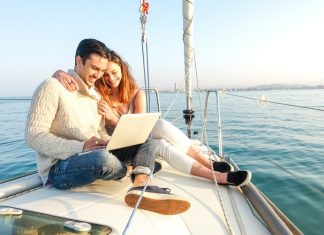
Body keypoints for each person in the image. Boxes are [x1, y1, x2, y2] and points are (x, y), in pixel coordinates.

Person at [25, 38, 190, 215]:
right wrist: (80, 146)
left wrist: (112, 142)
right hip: (59, 167)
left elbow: (101, 132)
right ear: (78, 61)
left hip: (92, 153)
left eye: (101, 71)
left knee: (145, 142)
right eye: (94, 68)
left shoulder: (95, 95)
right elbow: (33, 135)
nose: (98, 75)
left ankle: (141, 185)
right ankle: (136, 168)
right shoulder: (52, 86)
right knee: (103, 160)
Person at [53, 49, 252, 187]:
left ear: (122, 69)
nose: (110, 78)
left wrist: (115, 118)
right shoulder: (97, 91)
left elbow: (138, 129)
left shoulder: (135, 93)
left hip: (133, 141)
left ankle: (209, 165)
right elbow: (78, 78)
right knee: (161, 146)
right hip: (113, 144)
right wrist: (58, 72)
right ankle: (217, 176)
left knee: (162, 127)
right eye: (105, 75)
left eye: (114, 72)